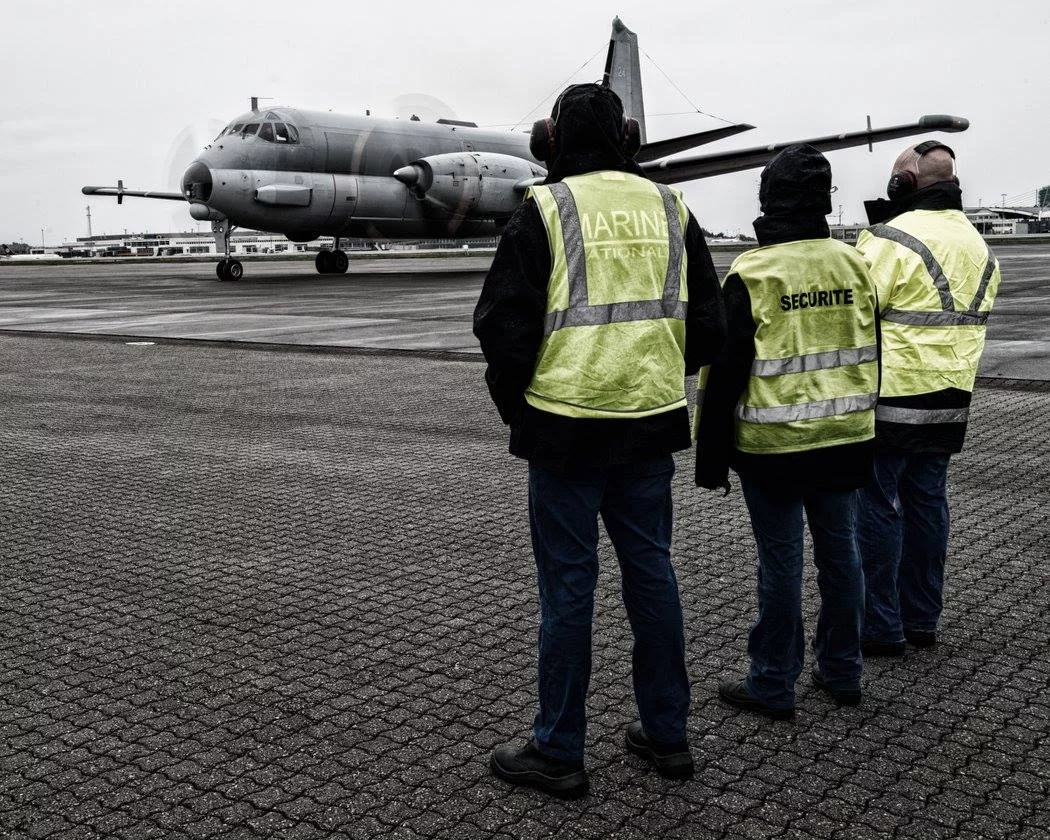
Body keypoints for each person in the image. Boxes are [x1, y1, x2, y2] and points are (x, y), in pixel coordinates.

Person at [473, 83, 725, 797]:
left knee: (567, 589)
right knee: (653, 576)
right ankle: (668, 735)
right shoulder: (673, 207)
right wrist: (647, 373)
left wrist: (520, 409)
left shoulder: (544, 209)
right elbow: (709, 328)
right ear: (627, 137)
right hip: (648, 428)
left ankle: (558, 749)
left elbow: (500, 326)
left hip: (563, 431)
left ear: (553, 142)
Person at [694, 145, 879, 719]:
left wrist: (710, 459)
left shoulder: (753, 272)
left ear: (768, 200)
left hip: (773, 448)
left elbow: (723, 376)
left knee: (781, 563)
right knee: (842, 555)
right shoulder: (854, 264)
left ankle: (773, 682)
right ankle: (844, 670)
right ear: (824, 199)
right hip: (847, 435)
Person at [855, 142, 1001, 656]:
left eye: (895, 176)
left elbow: (858, 308)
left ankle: (880, 626)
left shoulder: (890, 239)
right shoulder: (978, 244)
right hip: (951, 397)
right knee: (928, 503)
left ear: (907, 183)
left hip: (892, 396)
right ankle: (922, 619)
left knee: (875, 506)